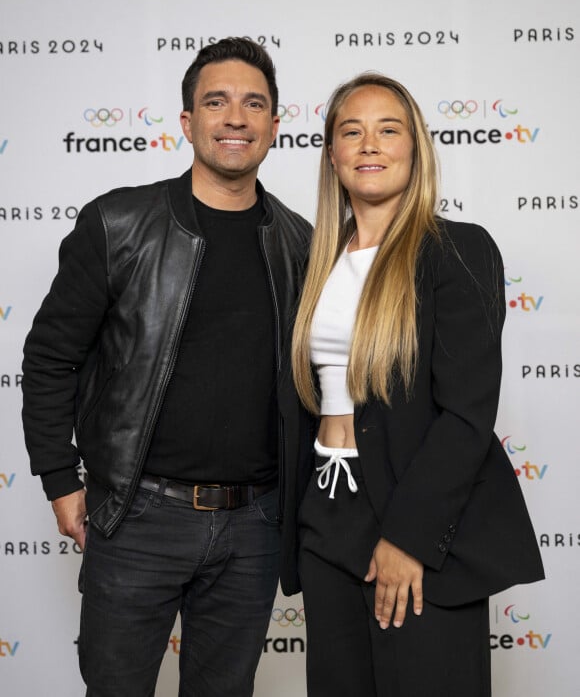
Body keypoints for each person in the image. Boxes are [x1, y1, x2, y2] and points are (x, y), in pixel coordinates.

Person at [21, 37, 311, 697]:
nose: (235, 117)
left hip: (255, 526)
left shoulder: (302, 243)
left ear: (273, 124)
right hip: (138, 517)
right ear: (188, 122)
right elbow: (50, 357)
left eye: (253, 104)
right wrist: (60, 478)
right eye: (216, 101)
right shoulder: (118, 224)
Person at [290, 73, 544, 696]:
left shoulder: (457, 251)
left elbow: (466, 415)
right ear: (332, 153)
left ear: (417, 147)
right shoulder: (313, 260)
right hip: (327, 515)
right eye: (351, 131)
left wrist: (408, 538)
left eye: (388, 129)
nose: (369, 144)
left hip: (418, 517)